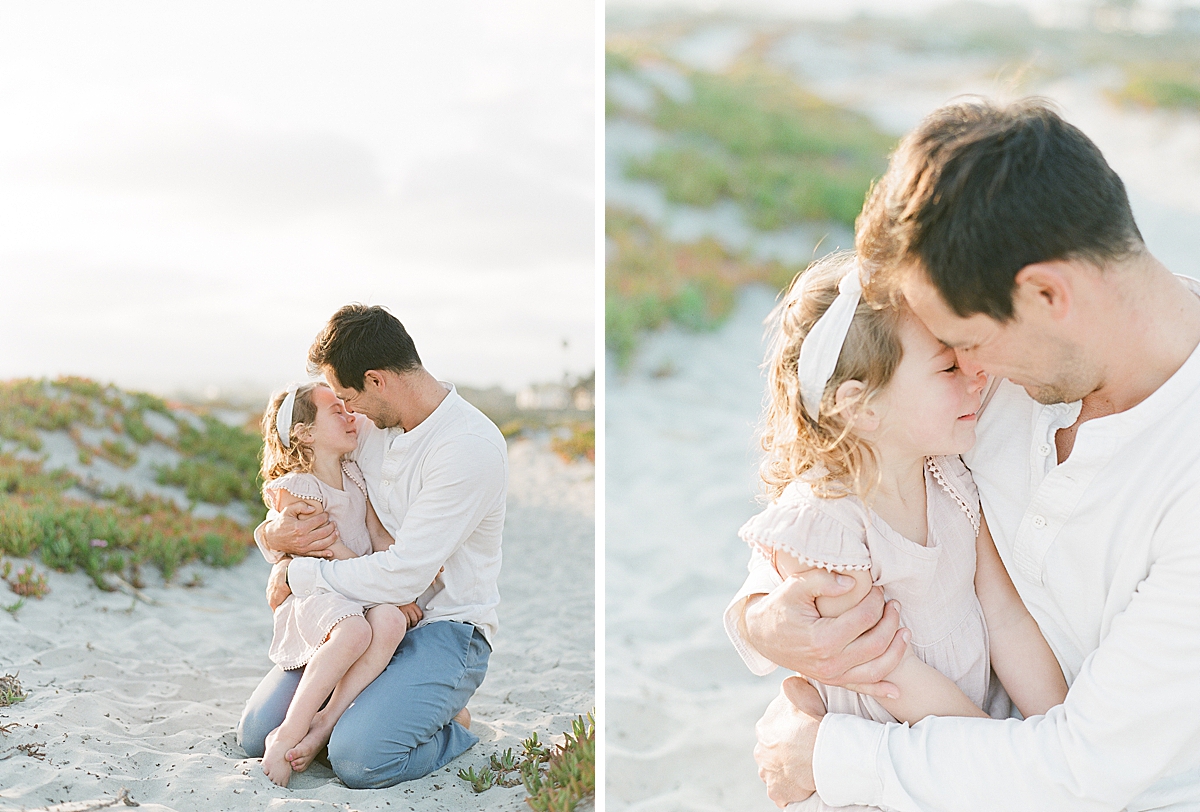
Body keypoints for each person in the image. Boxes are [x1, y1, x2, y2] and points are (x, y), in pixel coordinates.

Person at [729, 98, 1200, 810]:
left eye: (969, 346)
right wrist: (766, 621)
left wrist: (826, 753)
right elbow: (843, 490)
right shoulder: (1018, 365)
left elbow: (1083, 772)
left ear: (1046, 293)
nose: (975, 376)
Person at [731, 249, 1066, 811]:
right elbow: (888, 674)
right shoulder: (826, 527)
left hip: (970, 727)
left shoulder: (950, 478)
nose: (976, 375)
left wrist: (1055, 728)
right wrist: (996, 751)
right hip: (884, 757)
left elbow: (1005, 616)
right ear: (860, 407)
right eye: (947, 368)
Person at [237, 304, 507, 789]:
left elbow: (404, 576)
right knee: (257, 733)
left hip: (443, 626)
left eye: (347, 396)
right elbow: (306, 480)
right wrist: (272, 536)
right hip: (366, 613)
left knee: (360, 758)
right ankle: (388, 706)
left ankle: (452, 724)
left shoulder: (467, 446)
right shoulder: (367, 426)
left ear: (376, 381)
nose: (347, 410)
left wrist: (297, 574)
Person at [253, 381, 425, 787]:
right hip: (320, 596)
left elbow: (378, 536)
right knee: (353, 630)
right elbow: (328, 547)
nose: (351, 416)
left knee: (391, 623)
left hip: (358, 587)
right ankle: (288, 733)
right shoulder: (299, 488)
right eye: (336, 411)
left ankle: (325, 724)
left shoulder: (354, 477)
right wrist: (388, 588)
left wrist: (404, 575)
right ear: (304, 433)